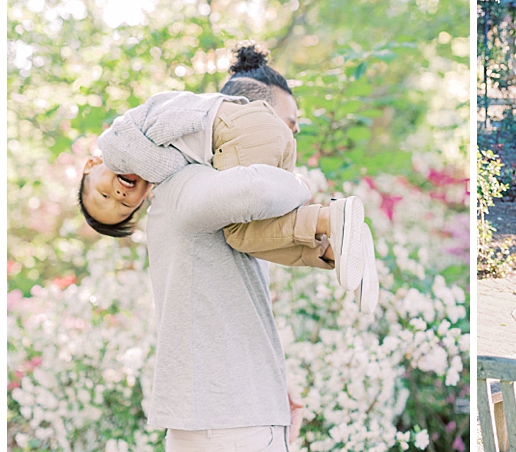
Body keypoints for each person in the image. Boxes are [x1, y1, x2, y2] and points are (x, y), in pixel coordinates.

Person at [77, 44, 377, 305]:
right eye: (127, 206)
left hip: (239, 133)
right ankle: (338, 252)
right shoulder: (151, 136)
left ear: (92, 164)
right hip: (260, 136)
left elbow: (169, 168)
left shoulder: (115, 143)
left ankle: (329, 220)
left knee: (239, 235)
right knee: (268, 231)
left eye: (104, 195)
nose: (119, 196)